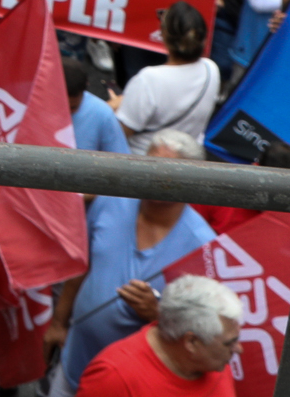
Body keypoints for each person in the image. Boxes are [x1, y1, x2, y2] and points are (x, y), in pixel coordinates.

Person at [50, 131, 220, 395]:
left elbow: (197, 335)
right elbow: (83, 264)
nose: (154, 178)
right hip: (71, 362)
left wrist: (157, 313)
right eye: (149, 167)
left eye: (166, 173)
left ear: (191, 180)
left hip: (125, 386)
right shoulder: (113, 199)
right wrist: (58, 323)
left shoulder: (202, 247)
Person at [72, 274, 244, 397]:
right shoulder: (113, 377)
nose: (239, 349)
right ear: (191, 342)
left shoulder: (214, 359)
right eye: (230, 343)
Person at [114, 3, 221, 145]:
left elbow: (118, 134)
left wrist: (108, 107)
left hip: (143, 159)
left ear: (163, 34)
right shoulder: (211, 69)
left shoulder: (148, 79)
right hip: (187, 159)